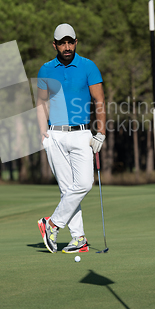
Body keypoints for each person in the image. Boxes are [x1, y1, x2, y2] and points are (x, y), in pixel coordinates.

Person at [37, 23, 106, 254]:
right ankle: (79, 239)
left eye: (70, 42)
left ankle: (52, 224)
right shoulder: (46, 69)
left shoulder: (88, 66)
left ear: (76, 42)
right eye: (62, 43)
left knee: (85, 183)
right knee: (67, 190)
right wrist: (42, 132)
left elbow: (99, 101)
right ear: (54, 45)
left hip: (82, 133)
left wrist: (101, 132)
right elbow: (41, 102)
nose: (67, 47)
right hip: (54, 134)